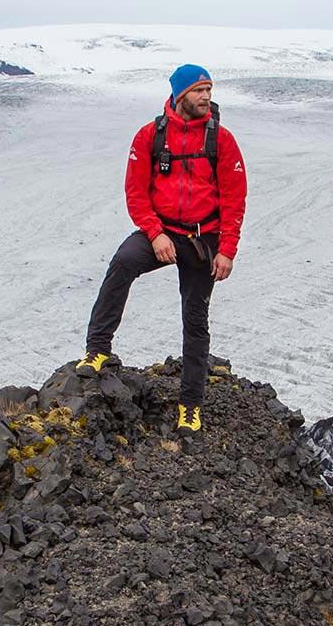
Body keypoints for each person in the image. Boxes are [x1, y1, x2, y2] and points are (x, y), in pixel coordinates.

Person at [78, 63, 246, 432]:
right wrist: (154, 233)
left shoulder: (221, 140)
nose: (207, 97)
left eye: (209, 90)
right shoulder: (149, 137)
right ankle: (98, 349)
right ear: (181, 94)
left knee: (195, 318)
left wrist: (227, 249)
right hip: (163, 232)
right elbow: (136, 193)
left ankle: (190, 405)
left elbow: (235, 199)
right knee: (123, 263)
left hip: (204, 240)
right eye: (200, 90)